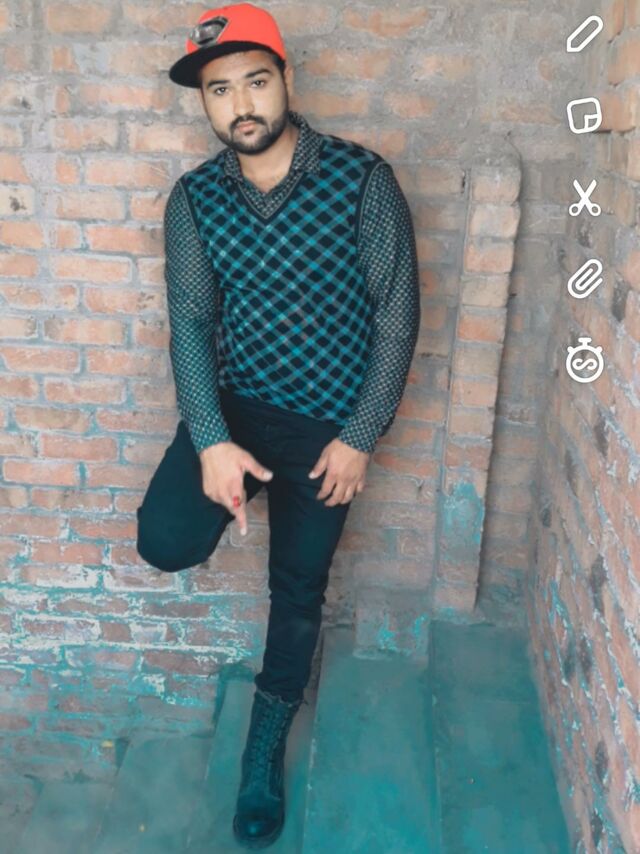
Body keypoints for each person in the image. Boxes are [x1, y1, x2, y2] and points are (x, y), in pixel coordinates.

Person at [136, 2, 420, 848]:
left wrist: (361, 435)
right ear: (206, 102)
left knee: (297, 589)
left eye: (255, 81)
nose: (241, 105)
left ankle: (265, 739)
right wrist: (211, 440)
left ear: (286, 80)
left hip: (329, 426)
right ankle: (232, 477)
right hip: (238, 409)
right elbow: (191, 323)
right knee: (164, 540)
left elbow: (396, 315)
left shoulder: (362, 180)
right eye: (219, 90)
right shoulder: (194, 200)